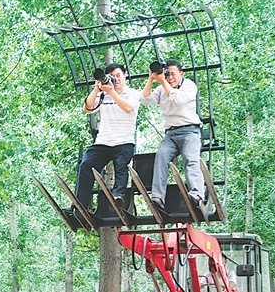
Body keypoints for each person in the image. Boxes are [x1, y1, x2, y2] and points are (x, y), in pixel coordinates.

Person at [66, 63, 141, 215]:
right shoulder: (103, 95)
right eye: (112, 76)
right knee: (86, 165)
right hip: (103, 141)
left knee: (121, 166)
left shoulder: (132, 93)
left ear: (125, 76)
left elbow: (128, 108)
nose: (116, 79)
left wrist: (112, 92)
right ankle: (80, 205)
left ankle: (118, 196)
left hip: (124, 141)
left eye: (118, 75)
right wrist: (97, 88)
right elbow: (87, 108)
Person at [141, 59, 207, 218]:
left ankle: (197, 194)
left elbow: (177, 100)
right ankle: (157, 198)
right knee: (161, 159)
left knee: (191, 159)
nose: (169, 77)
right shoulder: (161, 88)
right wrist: (151, 78)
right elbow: (145, 100)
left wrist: (163, 81)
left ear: (181, 73)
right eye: (166, 74)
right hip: (170, 134)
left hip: (189, 130)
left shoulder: (189, 85)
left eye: (172, 74)